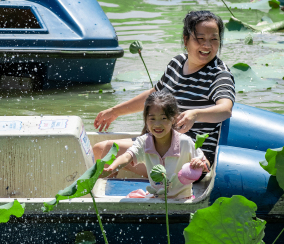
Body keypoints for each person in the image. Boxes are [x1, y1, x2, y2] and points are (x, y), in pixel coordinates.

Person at [92, 10, 235, 174]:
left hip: (193, 158)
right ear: (186, 39)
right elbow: (154, 95)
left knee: (106, 150)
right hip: (163, 143)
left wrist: (195, 114)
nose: (207, 45)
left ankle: (108, 196)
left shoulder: (219, 74)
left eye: (214, 39)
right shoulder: (177, 63)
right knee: (99, 149)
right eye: (200, 39)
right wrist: (115, 111)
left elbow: (225, 109)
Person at [104, 90, 209, 199]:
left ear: (173, 118)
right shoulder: (143, 142)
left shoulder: (185, 142)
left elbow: (206, 164)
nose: (157, 124)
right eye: (152, 119)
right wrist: (111, 168)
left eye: (163, 118)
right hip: (156, 200)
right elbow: (127, 156)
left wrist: (201, 165)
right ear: (146, 119)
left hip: (182, 201)